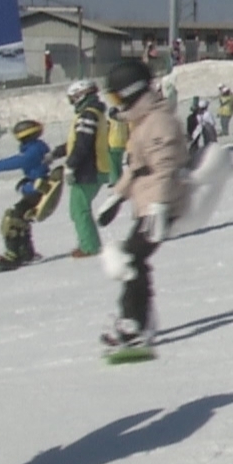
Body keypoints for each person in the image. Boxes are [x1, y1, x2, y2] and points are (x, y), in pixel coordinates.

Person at [97, 58, 189, 351]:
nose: (116, 104)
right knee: (133, 261)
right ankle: (138, 320)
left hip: (162, 206)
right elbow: (136, 168)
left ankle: (135, 323)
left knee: (130, 260)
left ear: (132, 92)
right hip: (148, 205)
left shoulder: (159, 122)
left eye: (117, 97)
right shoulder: (143, 122)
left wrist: (160, 206)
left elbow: (165, 167)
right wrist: (116, 196)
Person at [0, 119, 54, 270]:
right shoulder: (36, 147)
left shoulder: (33, 151)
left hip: (37, 191)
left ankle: (13, 253)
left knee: (12, 219)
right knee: (20, 217)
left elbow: (13, 162)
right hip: (37, 188)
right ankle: (26, 251)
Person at [56, 80, 110, 259]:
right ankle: (88, 243)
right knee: (79, 208)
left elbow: (83, 143)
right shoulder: (93, 113)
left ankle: (90, 246)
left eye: (73, 99)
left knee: (79, 209)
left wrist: (71, 165)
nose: (73, 103)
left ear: (81, 95)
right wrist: (57, 153)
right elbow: (76, 141)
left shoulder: (88, 114)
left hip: (89, 168)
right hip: (94, 166)